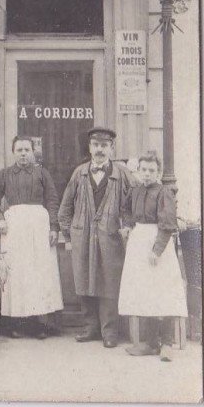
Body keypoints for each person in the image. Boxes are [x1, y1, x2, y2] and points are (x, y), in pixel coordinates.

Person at [58, 127, 135, 348]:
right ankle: (90, 328)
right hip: (82, 236)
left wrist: (127, 226)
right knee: (84, 280)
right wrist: (69, 234)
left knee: (109, 281)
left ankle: (109, 331)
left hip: (111, 237)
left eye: (104, 145)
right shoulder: (79, 173)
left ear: (112, 148)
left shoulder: (122, 175)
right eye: (96, 145)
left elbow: (132, 206)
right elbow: (65, 208)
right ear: (90, 147)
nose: (100, 150)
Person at [0, 136, 63, 339]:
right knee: (17, 273)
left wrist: (54, 227)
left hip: (39, 226)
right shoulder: (4, 175)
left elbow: (53, 201)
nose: (23, 153)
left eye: (26, 150)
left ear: (32, 151)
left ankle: (40, 324)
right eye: (19, 150)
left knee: (39, 272)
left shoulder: (42, 174)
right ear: (13, 152)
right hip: (14, 228)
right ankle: (14, 323)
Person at [118, 152, 188, 356]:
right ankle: (150, 343)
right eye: (143, 170)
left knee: (161, 291)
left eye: (151, 170)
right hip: (139, 242)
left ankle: (166, 342)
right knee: (145, 292)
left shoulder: (164, 192)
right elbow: (126, 210)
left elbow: (167, 225)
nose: (147, 174)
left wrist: (157, 250)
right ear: (138, 171)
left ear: (157, 173)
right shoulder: (136, 190)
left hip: (158, 245)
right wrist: (128, 226)